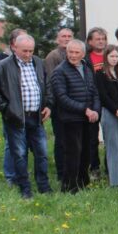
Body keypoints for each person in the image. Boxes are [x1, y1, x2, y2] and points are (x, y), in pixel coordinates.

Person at [0, 34, 53, 198]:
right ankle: (25, 189)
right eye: (25, 51)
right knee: (19, 155)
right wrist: (7, 110)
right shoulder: (3, 66)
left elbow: (47, 85)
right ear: (14, 47)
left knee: (42, 154)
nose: (28, 54)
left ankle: (44, 187)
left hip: (36, 117)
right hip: (16, 118)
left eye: (31, 50)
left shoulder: (38, 62)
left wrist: (48, 105)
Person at [51, 39, 100, 193]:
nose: (72, 55)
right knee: (73, 154)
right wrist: (85, 109)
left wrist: (96, 110)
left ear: (83, 54)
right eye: (70, 52)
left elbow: (94, 92)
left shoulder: (86, 68)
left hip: (88, 119)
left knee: (86, 152)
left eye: (76, 52)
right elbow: (62, 98)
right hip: (70, 119)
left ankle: (83, 182)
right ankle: (69, 187)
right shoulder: (60, 71)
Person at [0, 28, 27, 186]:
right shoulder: (1, 59)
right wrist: (5, 108)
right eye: (21, 40)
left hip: (29, 110)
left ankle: (22, 173)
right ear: (13, 44)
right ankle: (11, 176)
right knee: (11, 143)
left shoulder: (29, 59)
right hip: (11, 111)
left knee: (25, 143)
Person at [94, 44, 118, 188]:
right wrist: (116, 110)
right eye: (112, 56)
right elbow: (103, 96)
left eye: (117, 56)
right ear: (106, 57)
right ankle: (115, 181)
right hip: (110, 113)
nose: (114, 59)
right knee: (112, 146)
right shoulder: (100, 74)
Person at [44, 27, 74, 182]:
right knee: (61, 140)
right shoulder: (53, 56)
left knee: (72, 140)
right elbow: (50, 82)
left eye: (69, 36)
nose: (66, 38)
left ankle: (72, 170)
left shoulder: (75, 54)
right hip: (59, 106)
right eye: (63, 36)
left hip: (74, 105)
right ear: (58, 39)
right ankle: (62, 173)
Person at [85, 27, 107, 179]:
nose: (101, 41)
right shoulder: (85, 58)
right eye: (97, 38)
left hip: (110, 102)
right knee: (92, 138)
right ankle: (94, 168)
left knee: (111, 137)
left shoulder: (111, 55)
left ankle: (111, 167)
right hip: (93, 102)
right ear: (89, 41)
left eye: (103, 38)